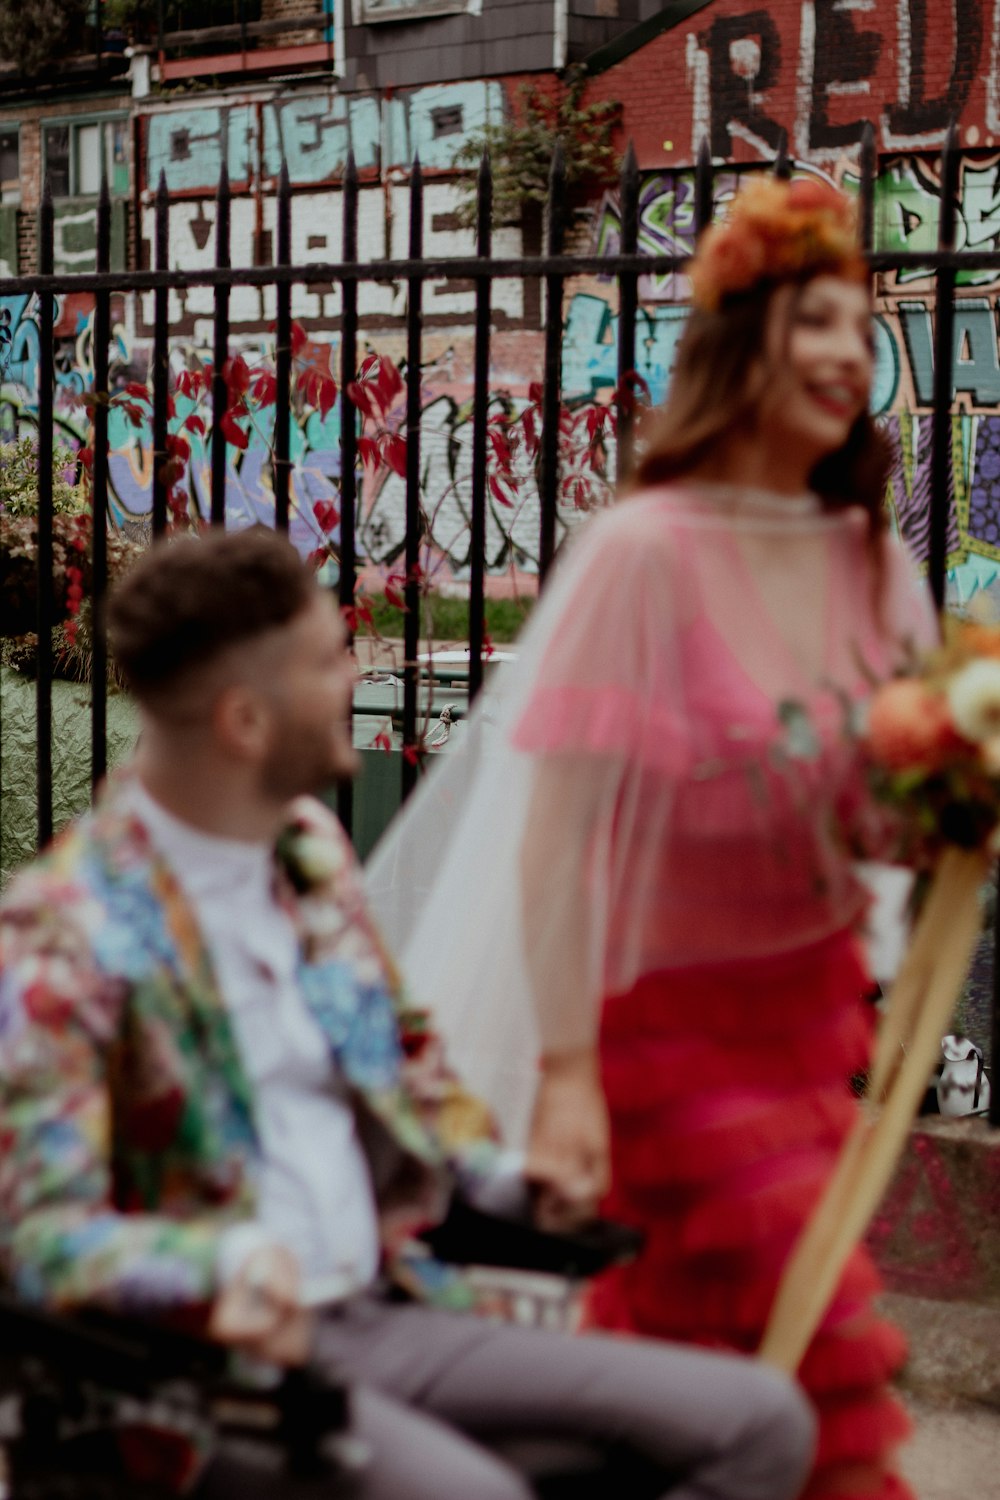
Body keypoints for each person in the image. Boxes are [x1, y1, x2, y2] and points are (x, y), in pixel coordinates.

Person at [0, 527, 815, 1500]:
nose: (355, 671)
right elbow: (37, 1238)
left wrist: (516, 1183)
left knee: (760, 1424)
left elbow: (411, 1076)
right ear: (244, 721)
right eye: (327, 658)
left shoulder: (305, 853)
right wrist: (221, 1266)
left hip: (382, 1310)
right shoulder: (65, 933)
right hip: (204, 1377)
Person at [366, 177, 938, 1500]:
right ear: (738, 343)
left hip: (815, 1034)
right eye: (815, 320)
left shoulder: (873, 562)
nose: (850, 353)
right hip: (668, 1043)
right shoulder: (644, 553)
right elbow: (555, 840)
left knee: (716, 1373)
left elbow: (879, 818)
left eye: (863, 326)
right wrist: (565, 1074)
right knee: (813, 1356)